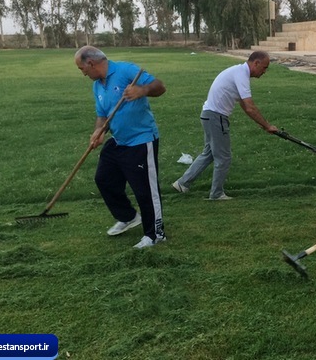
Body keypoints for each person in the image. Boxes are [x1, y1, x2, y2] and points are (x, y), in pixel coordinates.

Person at [74, 46, 167, 249]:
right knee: (104, 179)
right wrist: (98, 131)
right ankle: (129, 216)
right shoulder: (97, 86)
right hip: (119, 140)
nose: (83, 73)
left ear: (91, 63)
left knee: (145, 191)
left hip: (141, 140)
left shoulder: (125, 70)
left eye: (82, 68)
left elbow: (160, 86)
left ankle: (155, 234)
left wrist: (142, 90)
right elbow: (102, 115)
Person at [173, 51, 278, 200]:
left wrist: (262, 124)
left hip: (209, 115)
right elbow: (250, 106)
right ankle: (216, 194)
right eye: (264, 67)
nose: (265, 72)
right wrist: (267, 125)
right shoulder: (241, 74)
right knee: (224, 157)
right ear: (256, 63)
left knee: (209, 153)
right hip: (216, 117)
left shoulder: (238, 71)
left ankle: (182, 183)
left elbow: (243, 103)